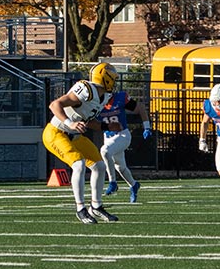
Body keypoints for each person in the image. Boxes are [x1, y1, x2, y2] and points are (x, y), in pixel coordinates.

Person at [44, 65, 117, 222]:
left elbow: (86, 121)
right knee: (78, 165)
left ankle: (96, 207)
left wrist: (105, 126)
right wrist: (70, 123)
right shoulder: (86, 90)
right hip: (57, 132)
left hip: (75, 136)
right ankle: (80, 209)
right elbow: (54, 105)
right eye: (113, 78)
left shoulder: (104, 96)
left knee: (99, 166)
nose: (115, 81)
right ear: (105, 78)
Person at [98, 84, 147, 203]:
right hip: (108, 137)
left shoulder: (120, 98)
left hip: (122, 135)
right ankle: (134, 185)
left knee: (104, 151)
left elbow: (140, 108)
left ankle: (112, 182)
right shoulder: (95, 104)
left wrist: (147, 127)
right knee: (120, 167)